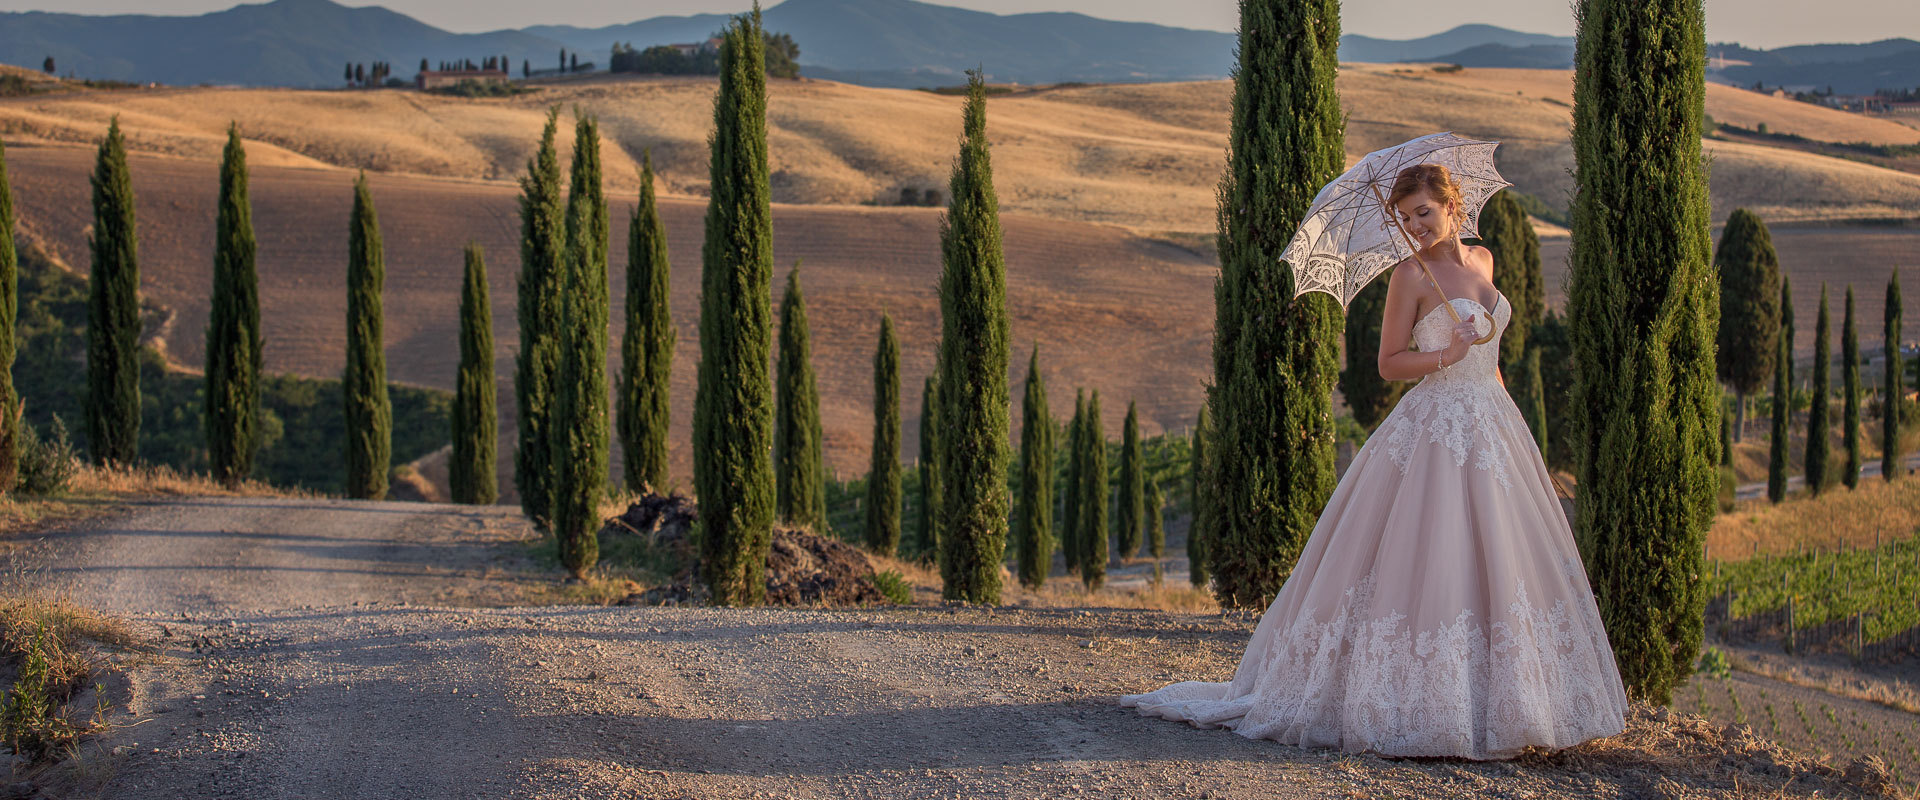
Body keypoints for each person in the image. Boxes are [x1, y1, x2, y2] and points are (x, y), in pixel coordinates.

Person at [1121, 164, 1627, 759]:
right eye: (1404, 217)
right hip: (1434, 428)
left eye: (1423, 213)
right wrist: (1445, 355)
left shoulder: (1486, 261)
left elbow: (1490, 356)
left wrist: (1499, 398)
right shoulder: (1409, 277)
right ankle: (1426, 702)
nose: (1414, 226)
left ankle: (1513, 700)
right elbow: (1388, 364)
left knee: (1503, 560)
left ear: (1452, 205)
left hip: (1492, 421)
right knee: (1431, 555)